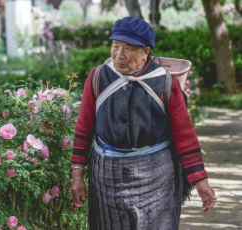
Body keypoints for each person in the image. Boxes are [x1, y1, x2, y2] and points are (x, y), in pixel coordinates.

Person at [70, 17, 216, 230]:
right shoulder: (98, 77)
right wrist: (77, 175)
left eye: (128, 49)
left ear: (145, 52)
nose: (119, 55)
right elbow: (83, 128)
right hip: (106, 178)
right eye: (115, 46)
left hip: (156, 176)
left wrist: (200, 180)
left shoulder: (165, 83)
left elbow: (184, 135)